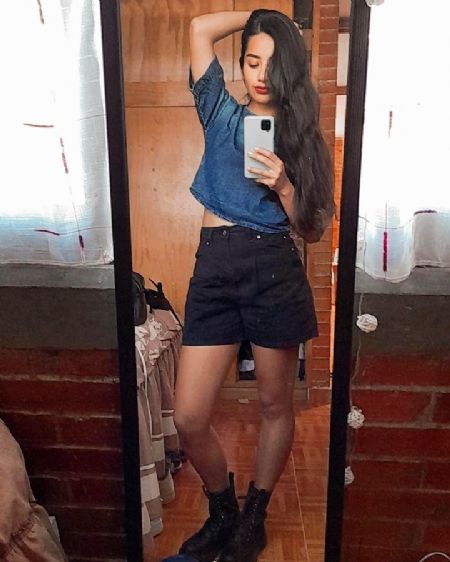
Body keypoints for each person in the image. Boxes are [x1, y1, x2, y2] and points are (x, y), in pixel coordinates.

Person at [173, 9, 334, 562]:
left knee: (273, 403)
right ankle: (222, 510)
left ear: (289, 68)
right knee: (189, 415)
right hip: (215, 268)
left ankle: (254, 516)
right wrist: (264, 17)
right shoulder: (218, 111)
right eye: (251, 60)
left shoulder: (303, 139)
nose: (261, 74)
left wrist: (285, 185)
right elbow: (199, 28)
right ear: (240, 65)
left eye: (272, 61)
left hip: (273, 269)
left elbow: (312, 229)